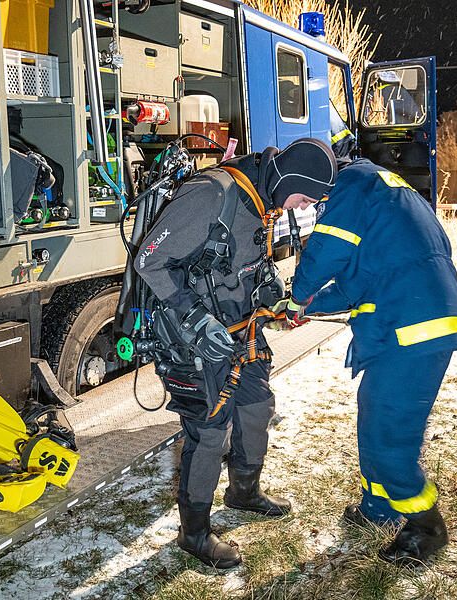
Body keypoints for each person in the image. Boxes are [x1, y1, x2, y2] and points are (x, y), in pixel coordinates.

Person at [135, 138, 337, 569]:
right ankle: (194, 532)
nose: (304, 207)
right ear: (291, 180)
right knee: (211, 432)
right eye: (305, 197)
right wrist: (196, 318)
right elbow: (149, 261)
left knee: (257, 407)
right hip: (194, 337)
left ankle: (244, 491)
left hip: (241, 331)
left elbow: (243, 263)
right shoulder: (212, 194)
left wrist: (273, 296)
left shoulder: (263, 199)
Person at [285, 158, 457, 567]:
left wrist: (297, 296)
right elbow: (355, 283)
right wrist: (305, 307)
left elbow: (326, 250)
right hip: (407, 319)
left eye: (305, 200)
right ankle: (379, 508)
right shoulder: (380, 191)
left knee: (389, 434)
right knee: (373, 416)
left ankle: (427, 527)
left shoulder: (351, 184)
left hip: (411, 327)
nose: (303, 207)